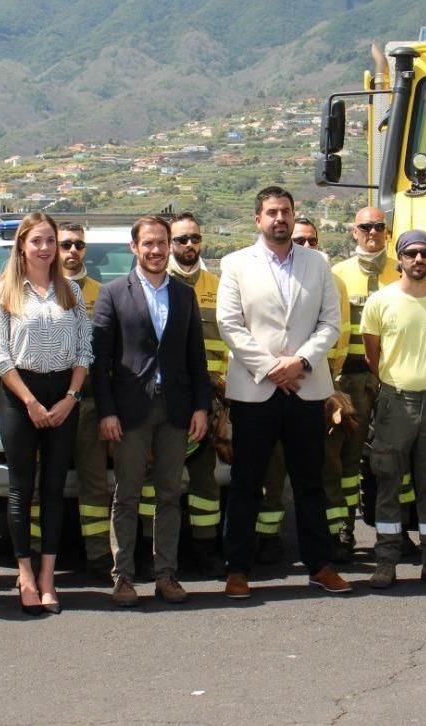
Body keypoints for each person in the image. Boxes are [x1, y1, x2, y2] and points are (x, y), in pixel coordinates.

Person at [215, 186, 351, 599]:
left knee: (310, 483)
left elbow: (330, 323)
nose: (280, 219)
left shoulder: (318, 262)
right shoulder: (236, 263)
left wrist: (302, 363)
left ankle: (320, 565)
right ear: (258, 219)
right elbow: (229, 324)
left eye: (286, 212)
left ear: (294, 217)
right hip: (255, 390)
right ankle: (237, 569)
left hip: (307, 390)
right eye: (272, 212)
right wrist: (272, 368)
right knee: (245, 483)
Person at [0, 212, 92, 614]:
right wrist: (30, 403)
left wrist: (70, 398)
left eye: (50, 241)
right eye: (37, 241)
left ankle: (47, 578)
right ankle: (24, 575)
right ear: (22, 246)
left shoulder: (71, 292)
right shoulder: (4, 292)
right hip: (19, 397)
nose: (45, 248)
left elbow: (84, 353)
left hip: (63, 398)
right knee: (21, 490)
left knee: (55, 489)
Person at [92, 216, 212, 606]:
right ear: (134, 248)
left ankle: (166, 575)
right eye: (148, 244)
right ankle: (123, 577)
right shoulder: (112, 293)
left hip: (176, 409)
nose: (156, 250)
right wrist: (107, 412)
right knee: (126, 495)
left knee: (169, 495)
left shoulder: (183, 294)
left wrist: (201, 406)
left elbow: (196, 356)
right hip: (130, 411)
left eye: (162, 243)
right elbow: (100, 361)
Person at [361, 230, 426, 589]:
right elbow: (373, 355)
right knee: (388, 481)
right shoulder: (381, 301)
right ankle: (386, 562)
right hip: (395, 402)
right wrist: (395, 380)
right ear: (399, 258)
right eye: (411, 253)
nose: (419, 260)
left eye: (425, 254)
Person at [331, 207, 412, 556]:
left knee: (396, 459)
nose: (372, 232)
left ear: (387, 231)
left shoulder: (403, 269)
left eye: (379, 226)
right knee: (348, 458)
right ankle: (344, 529)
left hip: (396, 377)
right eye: (366, 226)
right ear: (354, 231)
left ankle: (396, 531)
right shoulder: (338, 275)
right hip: (351, 377)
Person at [168, 212, 228, 578]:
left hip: (212, 395)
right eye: (181, 239)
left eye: (194, 238)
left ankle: (205, 548)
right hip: (169, 396)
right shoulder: (157, 284)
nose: (189, 245)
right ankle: (156, 551)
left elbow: (234, 339)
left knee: (205, 479)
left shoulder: (219, 286)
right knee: (158, 478)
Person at [57, 222, 113, 581]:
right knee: (39, 483)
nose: (72, 251)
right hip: (47, 406)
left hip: (89, 405)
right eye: (66, 244)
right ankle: (33, 555)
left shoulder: (103, 294)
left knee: (94, 484)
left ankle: (98, 556)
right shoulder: (39, 291)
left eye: (78, 244)